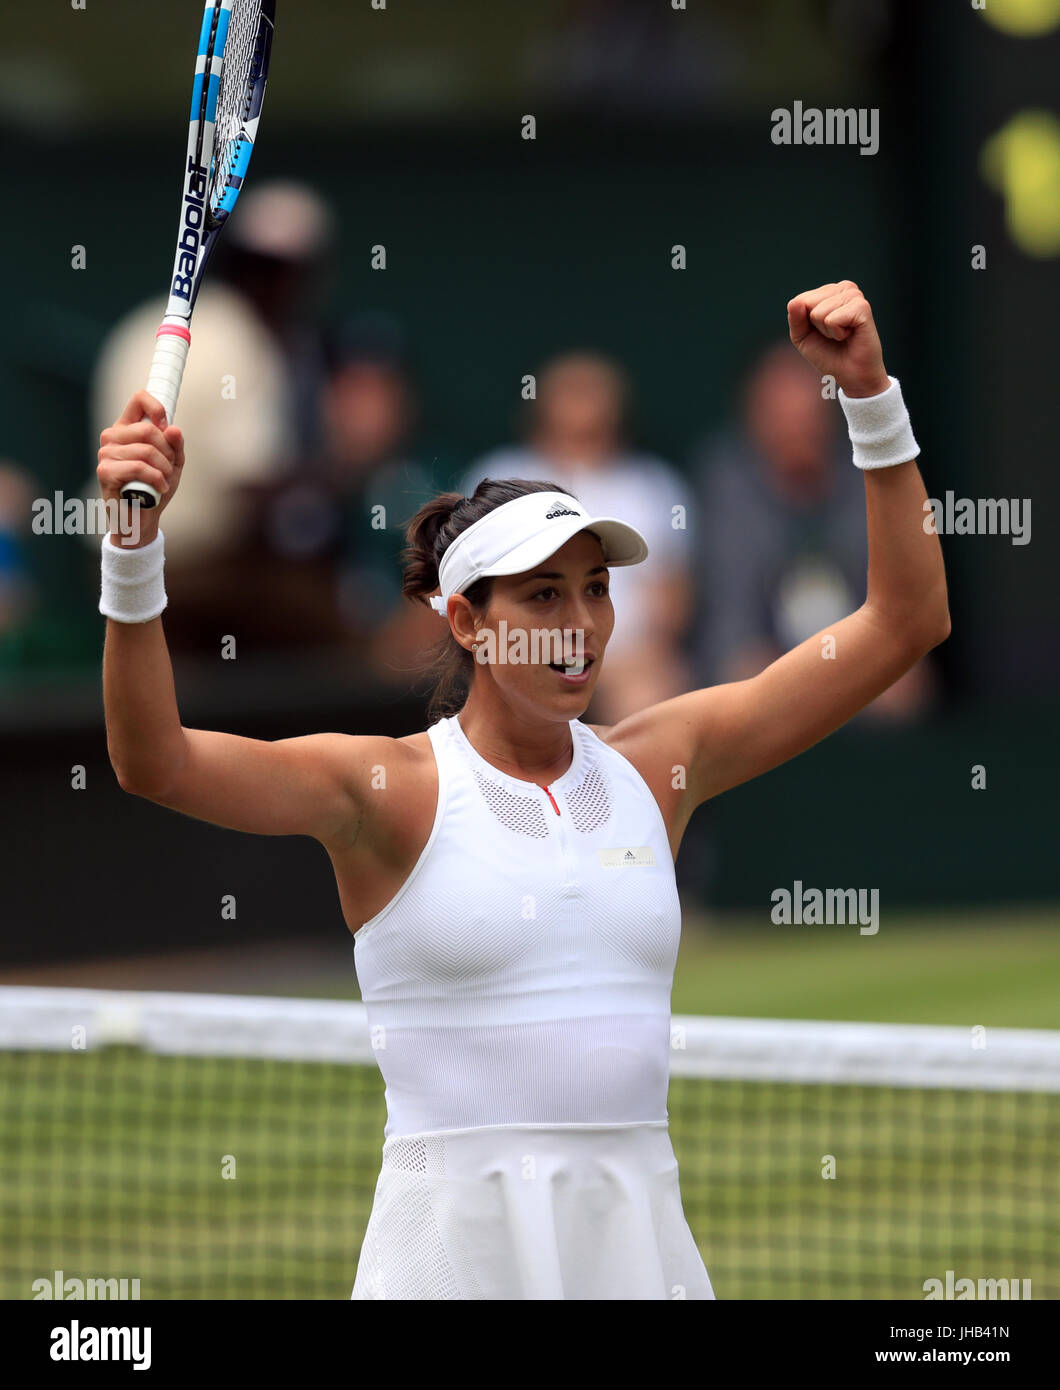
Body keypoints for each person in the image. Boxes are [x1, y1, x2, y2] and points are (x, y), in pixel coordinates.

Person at [96, 280, 950, 1299]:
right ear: (467, 622)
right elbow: (156, 758)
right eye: (545, 593)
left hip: (637, 1254)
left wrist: (869, 400)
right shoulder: (385, 789)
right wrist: (133, 556)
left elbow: (903, 622)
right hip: (448, 1264)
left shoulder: (658, 764)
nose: (582, 623)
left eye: (596, 588)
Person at [691, 339, 936, 720]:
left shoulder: (866, 475)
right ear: (754, 417)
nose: (796, 429)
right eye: (781, 416)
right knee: (745, 680)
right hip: (761, 657)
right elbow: (729, 617)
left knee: (905, 689)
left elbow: (897, 603)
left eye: (807, 416)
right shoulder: (725, 479)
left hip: (859, 655)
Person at [460, 351, 695, 723]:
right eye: (572, 393)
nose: (583, 408)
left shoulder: (653, 484)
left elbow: (672, 602)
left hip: (623, 657)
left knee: (651, 696)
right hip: (519, 649)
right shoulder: (500, 474)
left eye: (593, 394)